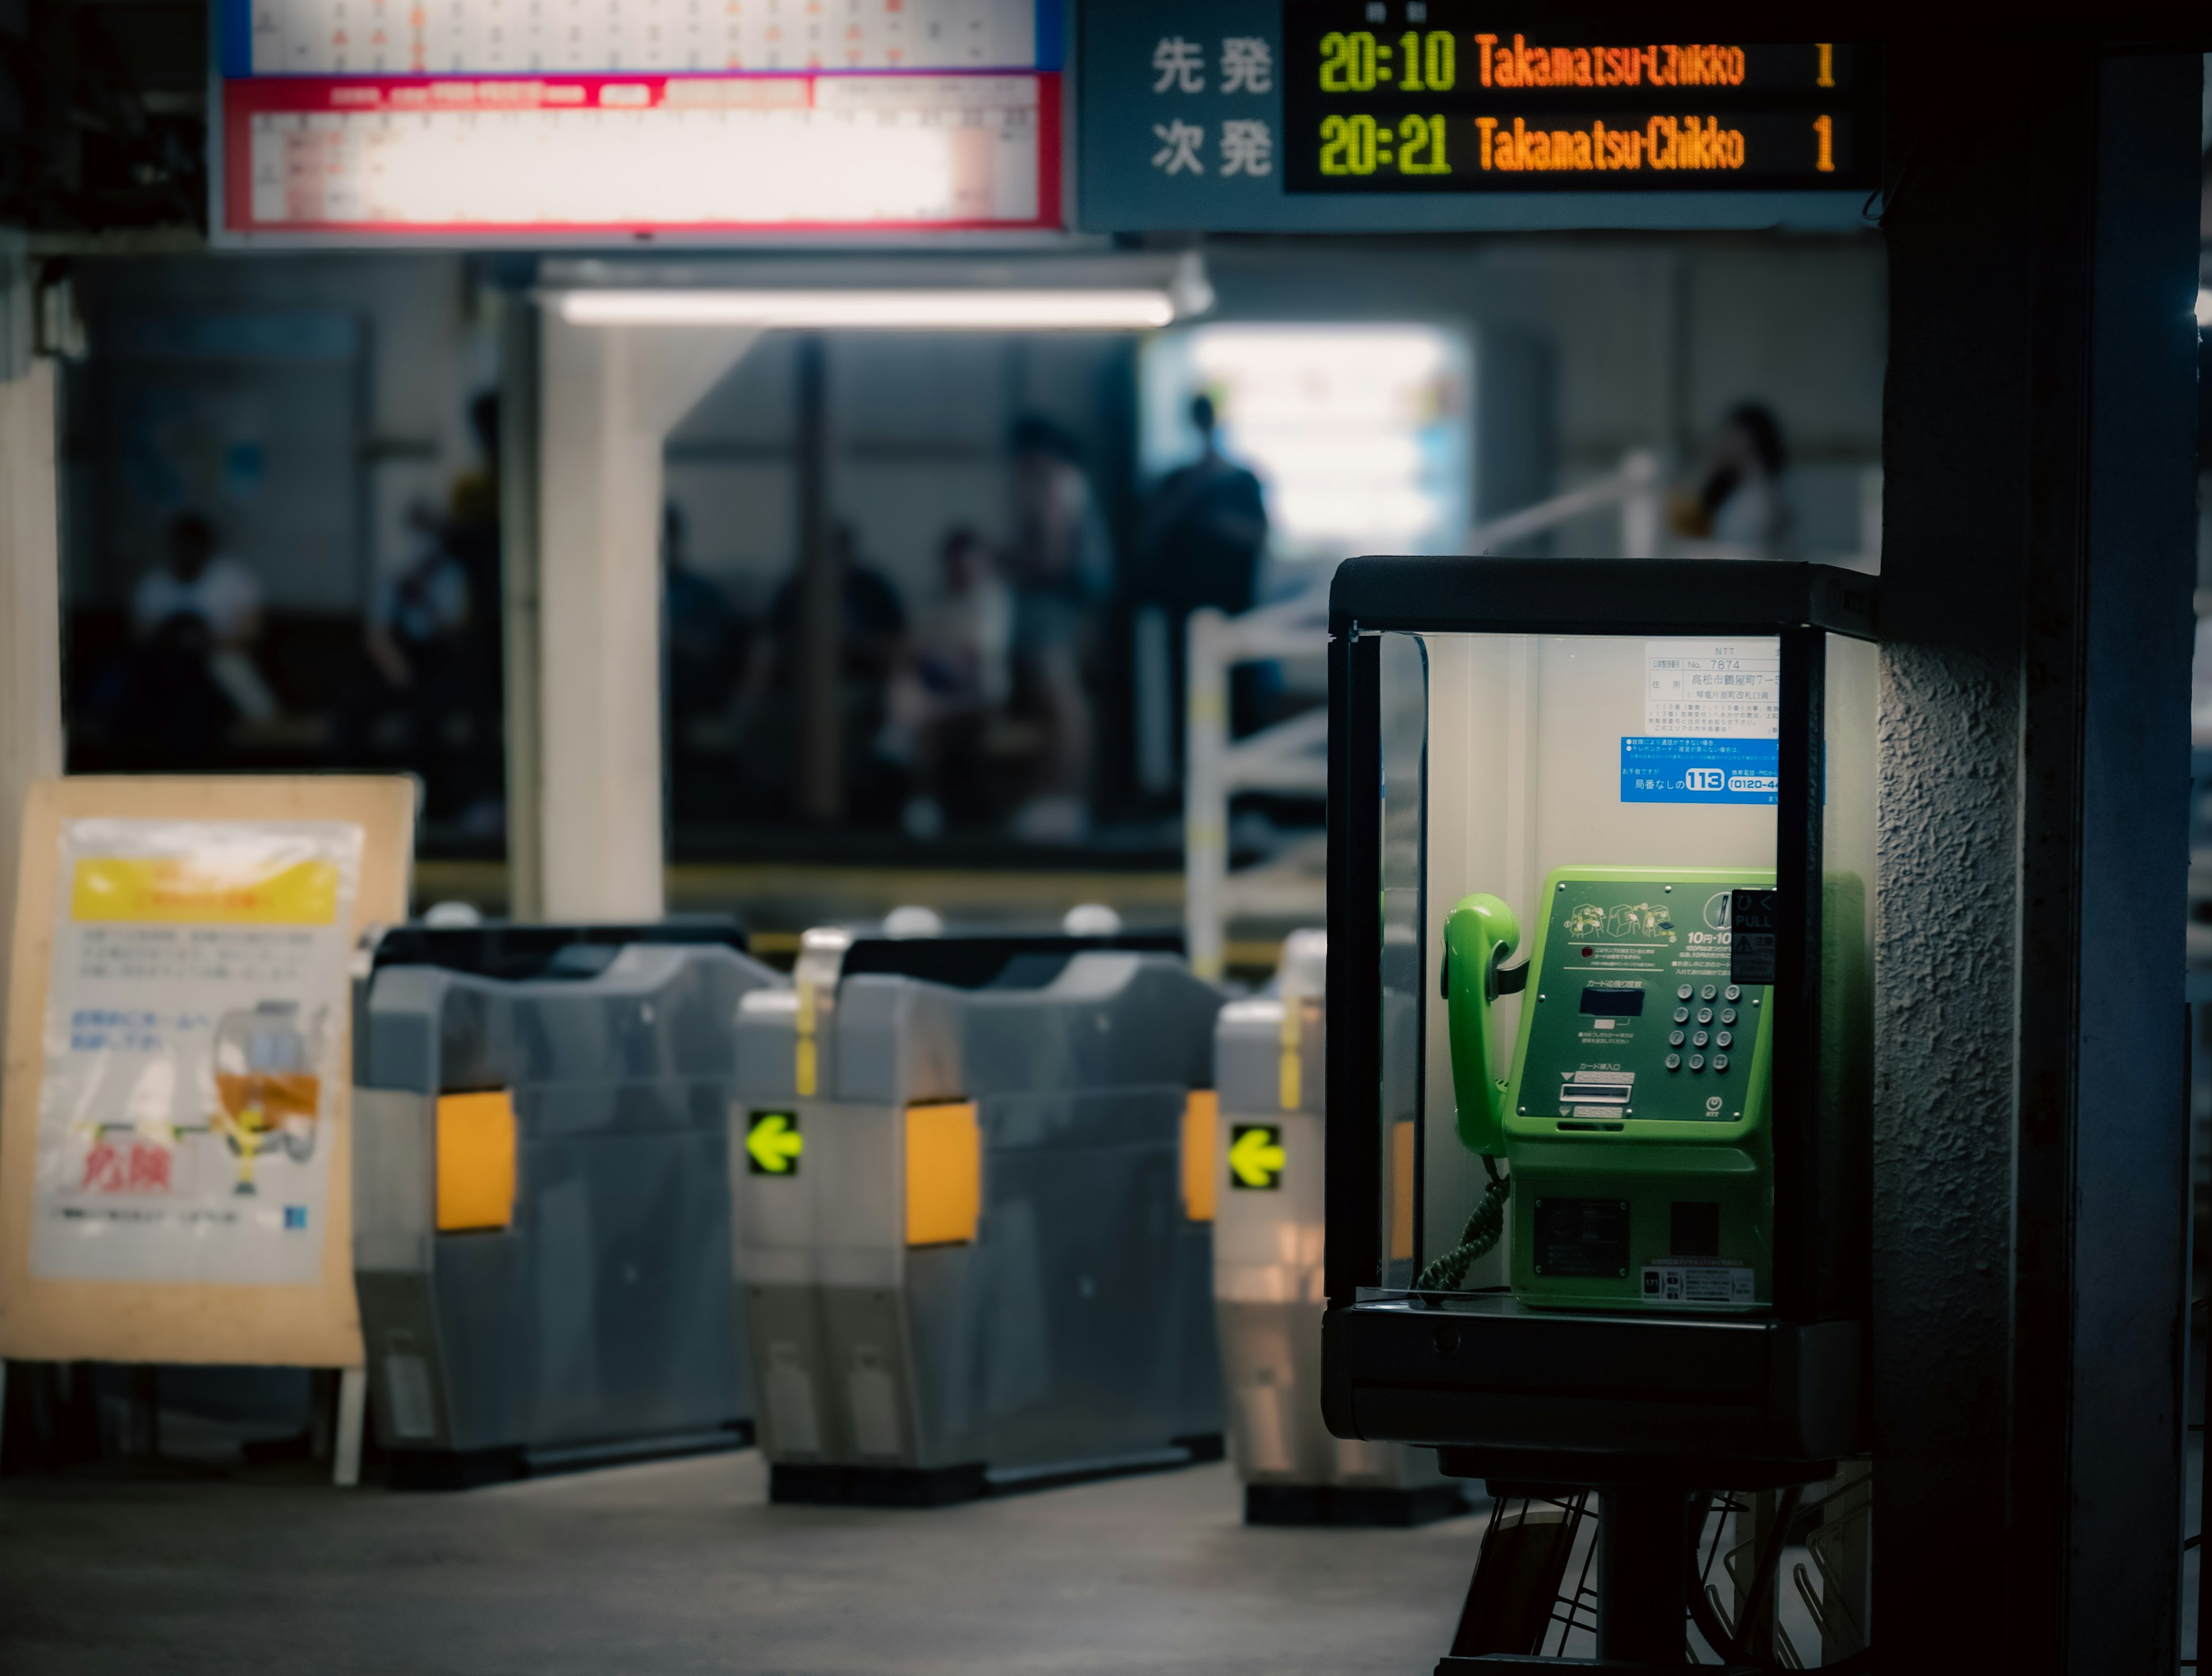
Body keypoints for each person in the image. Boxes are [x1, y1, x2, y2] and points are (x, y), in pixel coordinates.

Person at [1132, 393, 1270, 786]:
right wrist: (1190, 494)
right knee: (1189, 701)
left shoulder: (1242, 480)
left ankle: (1249, 794)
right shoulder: (1177, 480)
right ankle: (1190, 786)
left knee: (1241, 697)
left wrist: (1216, 518)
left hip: (1236, 610)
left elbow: (1259, 535)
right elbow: (1149, 534)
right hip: (1186, 610)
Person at [1003, 416, 1113, 843]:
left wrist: (1006, 561)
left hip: (1060, 600)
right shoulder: (1070, 480)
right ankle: (1061, 797)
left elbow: (1050, 557)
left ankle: (1061, 798)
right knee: (1064, 701)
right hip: (1069, 599)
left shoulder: (1055, 481)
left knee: (1062, 701)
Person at [886, 526, 1014, 838]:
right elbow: (909, 644)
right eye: (955, 565)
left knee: (924, 719)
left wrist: (937, 646)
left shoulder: (991, 598)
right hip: (934, 688)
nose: (961, 572)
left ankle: (921, 797)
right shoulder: (936, 597)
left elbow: (972, 655)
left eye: (968, 565)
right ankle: (911, 788)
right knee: (907, 689)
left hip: (979, 696)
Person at [130, 511, 280, 725]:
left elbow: (252, 631)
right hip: (164, 662)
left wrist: (208, 642)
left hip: (220, 656)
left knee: (242, 684)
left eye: (194, 546)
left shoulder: (233, 579)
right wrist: (173, 641)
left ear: (207, 547)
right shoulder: (153, 584)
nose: (188, 553)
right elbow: (139, 635)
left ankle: (266, 727)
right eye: (182, 545)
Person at [1673, 403, 1794, 556]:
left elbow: (1747, 554)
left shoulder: (1762, 499)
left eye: (1729, 433)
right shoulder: (1742, 491)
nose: (1722, 442)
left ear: (1747, 439)